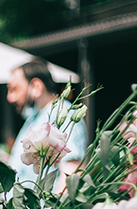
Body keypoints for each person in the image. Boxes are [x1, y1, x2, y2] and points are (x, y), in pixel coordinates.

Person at [6, 60, 87, 192]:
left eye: (14, 89)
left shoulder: (64, 114)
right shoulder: (32, 118)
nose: (10, 97)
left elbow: (72, 173)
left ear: (36, 87)